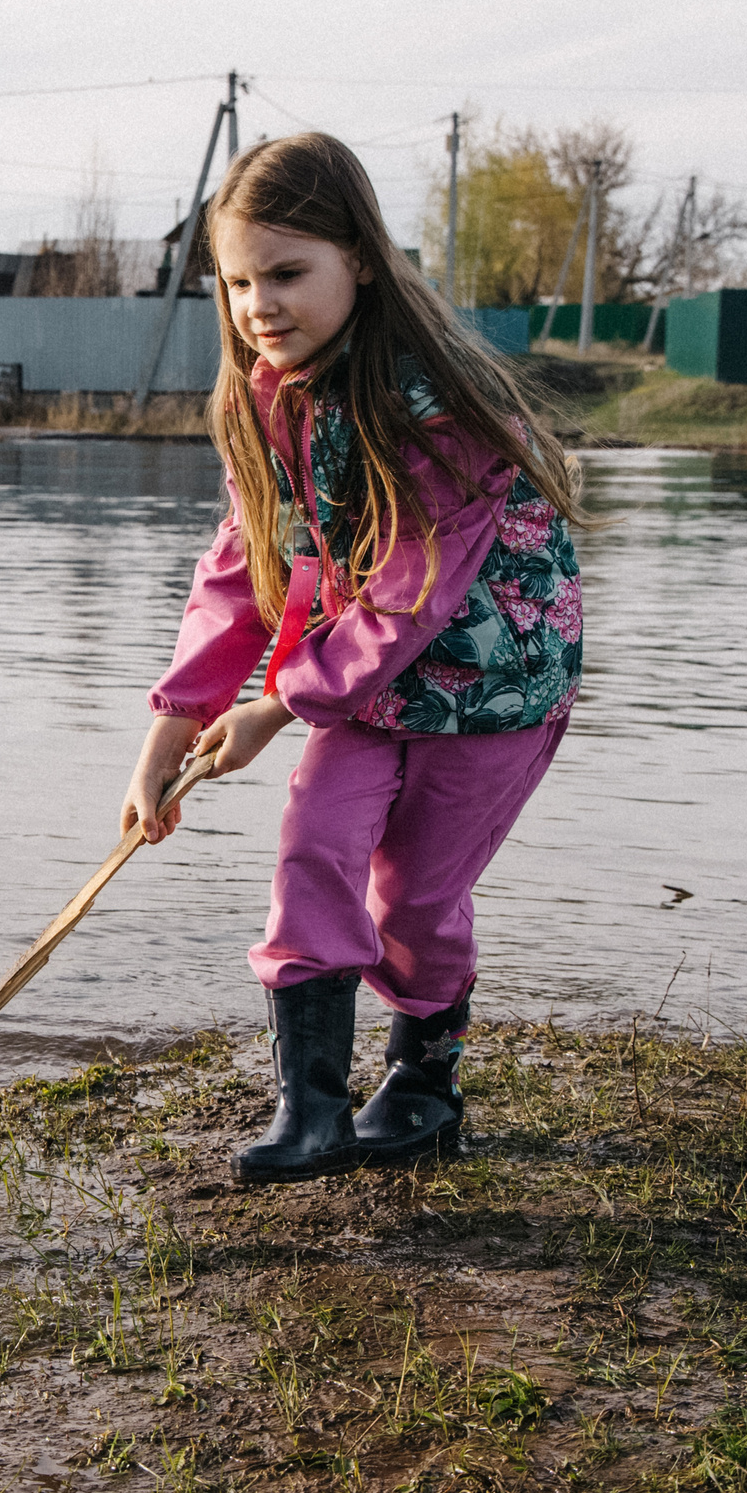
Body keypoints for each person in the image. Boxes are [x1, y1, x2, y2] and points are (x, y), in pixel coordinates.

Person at [120, 132, 588, 1185]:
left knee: (415, 900)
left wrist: (275, 707)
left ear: (360, 262)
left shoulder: (437, 408)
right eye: (237, 281)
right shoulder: (262, 400)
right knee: (311, 850)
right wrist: (173, 724)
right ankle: (313, 1112)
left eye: (287, 274)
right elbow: (245, 569)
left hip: (492, 687)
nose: (258, 306)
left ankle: (423, 1090)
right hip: (359, 687)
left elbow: (411, 589)